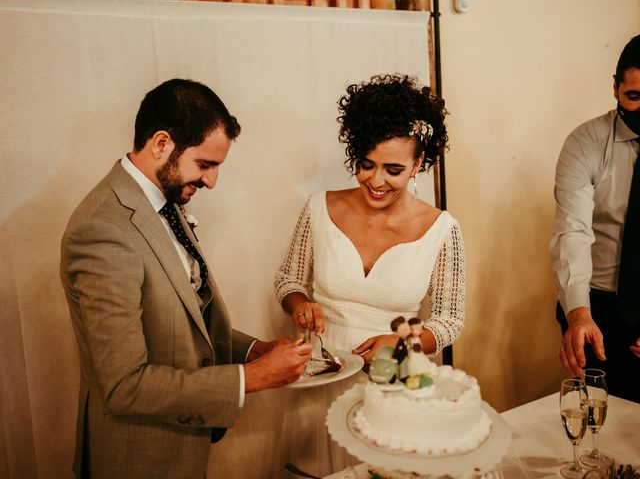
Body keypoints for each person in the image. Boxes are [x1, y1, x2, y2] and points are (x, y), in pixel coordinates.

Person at [60, 78, 312, 478]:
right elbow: (125, 385)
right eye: (205, 164)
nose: (212, 181)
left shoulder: (162, 201)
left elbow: (183, 319)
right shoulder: (103, 229)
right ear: (161, 144)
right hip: (136, 458)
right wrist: (252, 378)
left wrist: (253, 351)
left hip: (181, 449)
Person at [273, 74, 466, 476]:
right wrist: (301, 304)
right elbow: (288, 280)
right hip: (322, 373)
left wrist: (403, 339)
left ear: (419, 164)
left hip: (395, 377)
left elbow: (450, 321)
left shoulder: (443, 229)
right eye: (366, 165)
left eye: (393, 169)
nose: (376, 181)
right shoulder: (318, 208)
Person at [549, 35, 640, 403]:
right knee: (601, 415)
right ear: (615, 88)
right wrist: (579, 314)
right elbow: (573, 231)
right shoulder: (585, 143)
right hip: (596, 304)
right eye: (634, 96)